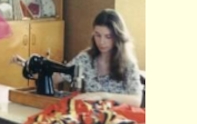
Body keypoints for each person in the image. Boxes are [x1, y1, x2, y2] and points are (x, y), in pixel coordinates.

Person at [11, 9, 143, 107]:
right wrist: (28, 65)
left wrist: (102, 95)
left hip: (119, 120)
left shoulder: (128, 64)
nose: (102, 41)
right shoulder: (86, 58)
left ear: (118, 37)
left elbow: (136, 100)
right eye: (97, 35)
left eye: (108, 37)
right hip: (92, 118)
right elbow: (57, 77)